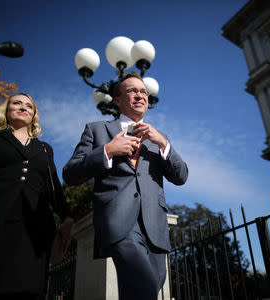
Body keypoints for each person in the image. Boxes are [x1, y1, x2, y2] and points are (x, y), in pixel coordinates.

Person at [63, 71, 188, 299]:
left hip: (155, 229)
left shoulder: (159, 138)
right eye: (132, 90)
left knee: (144, 289)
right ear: (118, 100)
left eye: (143, 92)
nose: (140, 95)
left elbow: (181, 177)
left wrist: (162, 143)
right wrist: (108, 150)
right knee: (143, 286)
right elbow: (70, 174)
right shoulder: (97, 130)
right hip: (118, 221)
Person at [0, 93, 74, 300]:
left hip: (34, 229)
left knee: (26, 288)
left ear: (33, 115)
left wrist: (66, 216)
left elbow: (53, 186)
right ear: (6, 110)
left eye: (29, 106)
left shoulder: (45, 149)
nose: (23, 107)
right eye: (17, 103)